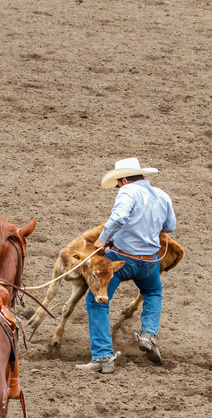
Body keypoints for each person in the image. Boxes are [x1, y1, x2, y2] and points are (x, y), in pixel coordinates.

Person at [76, 157, 177, 374]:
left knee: (97, 302)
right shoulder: (162, 195)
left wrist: (102, 239)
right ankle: (149, 335)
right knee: (153, 292)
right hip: (150, 261)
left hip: (122, 260)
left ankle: (102, 357)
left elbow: (119, 217)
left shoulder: (128, 192)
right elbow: (170, 226)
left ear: (123, 180)